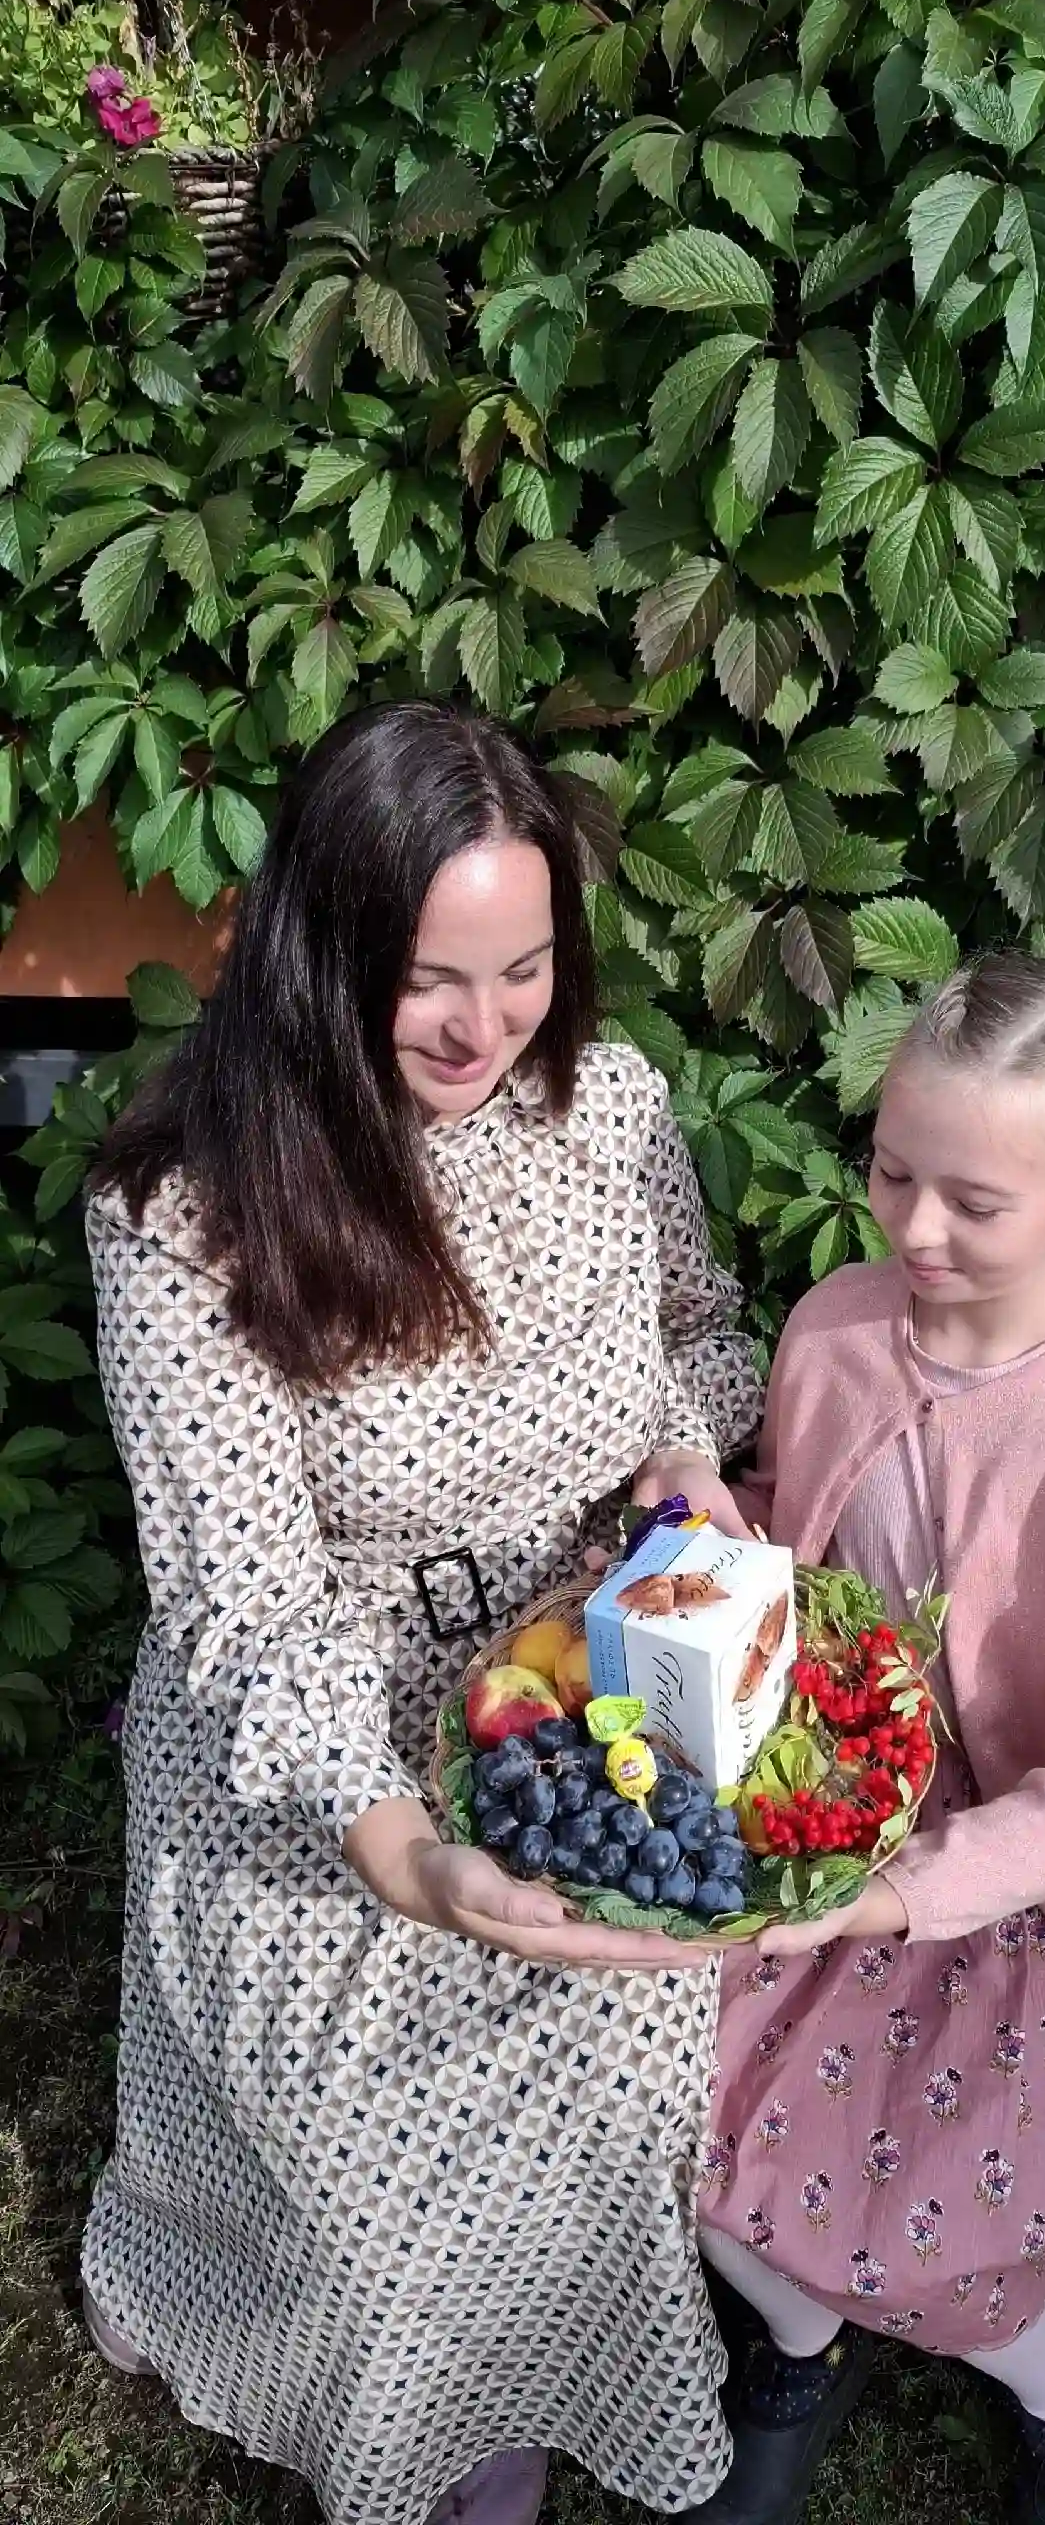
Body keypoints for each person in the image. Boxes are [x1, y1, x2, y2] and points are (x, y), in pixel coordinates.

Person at [79, 701, 762, 2525]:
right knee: (361, 2185)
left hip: (591, 1686)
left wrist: (678, 1459)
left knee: (608, 2104)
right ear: (318, 956)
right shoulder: (187, 1216)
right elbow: (245, 1608)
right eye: (427, 980)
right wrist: (402, 1851)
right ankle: (384, 2420)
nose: (485, 1027)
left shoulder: (609, 1110)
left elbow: (698, 1335)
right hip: (324, 1748)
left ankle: (524, 2400)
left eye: (524, 969)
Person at [696, 953, 1045, 2525]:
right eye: (892, 1172)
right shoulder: (837, 1324)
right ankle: (801, 2336)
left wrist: (897, 1893)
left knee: (936, 2209)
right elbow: (795, 1520)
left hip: (1013, 1879)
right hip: (826, 1788)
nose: (911, 1230)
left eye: (972, 1203)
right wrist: (715, 1530)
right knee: (647, 2107)